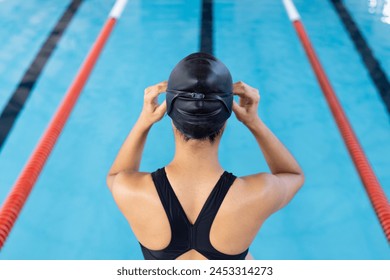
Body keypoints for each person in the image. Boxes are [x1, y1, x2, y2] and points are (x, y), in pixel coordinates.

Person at [107, 52, 304, 260]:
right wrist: (253, 122)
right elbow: (292, 175)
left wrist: (144, 121)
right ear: (227, 116)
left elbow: (116, 175)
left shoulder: (130, 191)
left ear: (170, 113)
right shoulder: (256, 194)